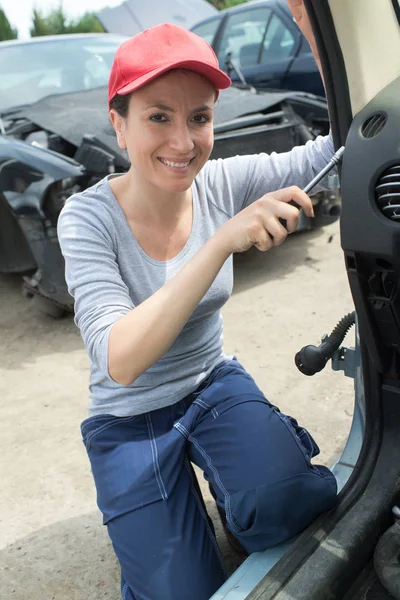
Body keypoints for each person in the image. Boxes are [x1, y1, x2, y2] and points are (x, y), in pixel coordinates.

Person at [57, 2, 338, 599]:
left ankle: (248, 490)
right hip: (129, 420)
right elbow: (121, 358)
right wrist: (218, 245)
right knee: (180, 592)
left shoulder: (221, 181)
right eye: (158, 116)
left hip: (210, 383)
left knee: (287, 504)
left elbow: (335, 150)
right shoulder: (86, 218)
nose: (184, 143)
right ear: (119, 123)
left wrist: (325, 40)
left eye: (200, 118)